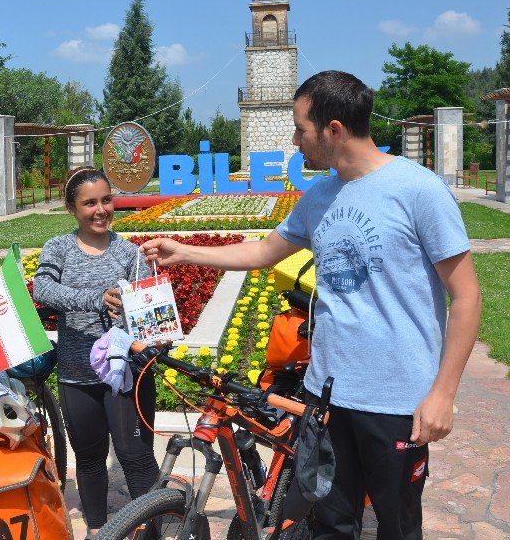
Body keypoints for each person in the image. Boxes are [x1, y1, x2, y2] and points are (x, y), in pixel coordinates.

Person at [142, 71, 482, 539]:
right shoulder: (319, 195)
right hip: (326, 398)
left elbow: (465, 297)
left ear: (334, 129)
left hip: (397, 401)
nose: (295, 140)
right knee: (330, 523)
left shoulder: (418, 190)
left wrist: (442, 393)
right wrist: (184, 251)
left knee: (398, 525)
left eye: (301, 128)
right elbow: (264, 253)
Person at [32, 167, 159, 536]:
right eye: (89, 203)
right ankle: (98, 530)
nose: (101, 209)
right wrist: (96, 300)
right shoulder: (59, 248)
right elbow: (43, 289)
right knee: (88, 460)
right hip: (76, 375)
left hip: (124, 376)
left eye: (106, 200)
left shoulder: (130, 253)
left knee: (136, 458)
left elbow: (146, 310)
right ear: (72, 208)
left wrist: (157, 326)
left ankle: (148, 530)